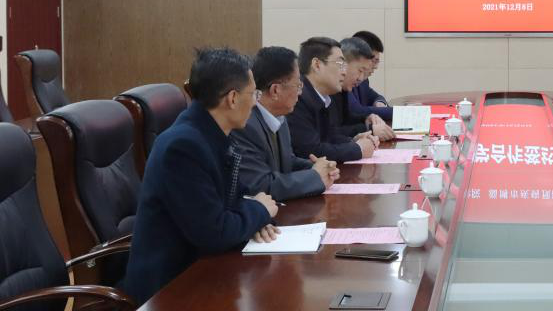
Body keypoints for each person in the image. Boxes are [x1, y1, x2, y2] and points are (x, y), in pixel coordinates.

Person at [123, 48, 279, 304]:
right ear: (232, 98)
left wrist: (254, 217)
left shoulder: (211, 133)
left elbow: (235, 198)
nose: (255, 103)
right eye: (253, 94)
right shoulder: (183, 147)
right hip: (170, 289)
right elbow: (214, 232)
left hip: (202, 269)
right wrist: (260, 211)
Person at [232, 46, 340, 201]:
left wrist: (318, 167)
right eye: (298, 85)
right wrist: (314, 176)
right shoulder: (246, 125)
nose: (300, 92)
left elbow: (287, 162)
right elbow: (261, 185)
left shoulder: (280, 118)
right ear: (275, 90)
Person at [288, 37, 377, 163]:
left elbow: (329, 137)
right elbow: (310, 151)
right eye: (340, 64)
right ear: (317, 65)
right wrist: (357, 149)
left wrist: (354, 140)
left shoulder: (322, 96)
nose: (344, 72)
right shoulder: (298, 97)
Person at [333, 37, 394, 141]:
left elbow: (348, 118)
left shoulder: (344, 87)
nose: (361, 78)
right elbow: (329, 133)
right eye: (360, 70)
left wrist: (366, 119)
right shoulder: (329, 90)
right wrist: (369, 129)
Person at [349, 30, 393, 122]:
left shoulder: (363, 80)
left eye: (377, 61)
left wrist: (379, 102)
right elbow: (357, 111)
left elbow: (375, 96)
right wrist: (399, 112)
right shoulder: (342, 81)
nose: (375, 67)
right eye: (374, 61)